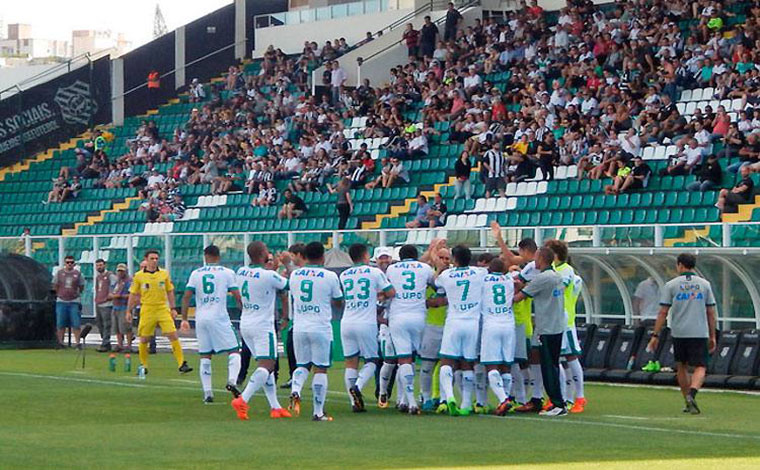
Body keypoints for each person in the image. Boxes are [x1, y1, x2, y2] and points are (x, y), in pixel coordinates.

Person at [646, 254, 717, 414]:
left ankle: (687, 400)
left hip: (679, 332)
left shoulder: (671, 285)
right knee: (700, 366)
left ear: (680, 265)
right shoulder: (705, 285)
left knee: (681, 366)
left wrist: (655, 335)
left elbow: (663, 312)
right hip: (699, 331)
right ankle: (693, 393)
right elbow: (711, 312)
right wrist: (713, 335)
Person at [231, 241, 292, 419]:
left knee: (266, 366)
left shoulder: (241, 271)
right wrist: (287, 264)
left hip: (246, 323)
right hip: (263, 326)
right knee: (267, 364)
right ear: (262, 254)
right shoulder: (269, 276)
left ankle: (275, 407)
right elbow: (289, 285)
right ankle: (243, 399)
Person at [288, 242, 344, 421]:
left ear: (305, 255)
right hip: (320, 327)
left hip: (299, 327)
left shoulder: (295, 274)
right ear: (323, 256)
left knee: (302, 365)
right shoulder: (329, 276)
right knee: (320, 369)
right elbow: (338, 301)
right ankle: (318, 412)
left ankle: (295, 389)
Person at [181, 245, 243, 403]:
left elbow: (187, 296)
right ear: (218, 256)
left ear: (205, 256)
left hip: (201, 318)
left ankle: (208, 393)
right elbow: (237, 295)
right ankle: (232, 381)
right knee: (234, 351)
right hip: (219, 317)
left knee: (205, 355)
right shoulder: (227, 272)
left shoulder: (196, 273)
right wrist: (245, 311)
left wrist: (184, 319)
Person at [340, 243, 395, 412]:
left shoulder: (344, 274)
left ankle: (353, 402)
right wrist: (380, 294)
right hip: (366, 322)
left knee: (351, 362)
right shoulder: (374, 272)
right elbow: (391, 292)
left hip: (346, 321)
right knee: (372, 360)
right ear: (366, 256)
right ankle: (357, 386)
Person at [513, 247, 567, 417]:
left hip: (546, 328)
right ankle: (558, 401)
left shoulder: (543, 278)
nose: (534, 261)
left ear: (542, 259)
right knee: (553, 365)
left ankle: (558, 404)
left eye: (536, 258)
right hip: (556, 326)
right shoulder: (556, 275)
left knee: (549, 367)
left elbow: (519, 297)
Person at [435, 245, 486, 416]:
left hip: (454, 322)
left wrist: (440, 267)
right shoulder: (480, 273)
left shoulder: (446, 275)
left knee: (446, 361)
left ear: (454, 260)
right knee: (467, 363)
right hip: (472, 323)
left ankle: (449, 397)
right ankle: (466, 403)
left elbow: (436, 282)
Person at [385, 244, 435, 414]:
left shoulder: (392, 269)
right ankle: (404, 399)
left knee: (403, 360)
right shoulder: (425, 267)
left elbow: (386, 291)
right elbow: (437, 286)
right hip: (419, 316)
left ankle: (410, 401)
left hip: (398, 316)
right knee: (412, 359)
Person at [126, 250, 192, 375]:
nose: (155, 261)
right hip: (147, 308)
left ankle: (182, 363)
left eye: (156, 258)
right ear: (146, 259)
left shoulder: (164, 274)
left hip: (162, 308)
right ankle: (143, 365)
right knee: (144, 338)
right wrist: (128, 311)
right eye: (152, 258)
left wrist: (173, 308)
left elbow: (170, 291)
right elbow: (133, 294)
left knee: (172, 334)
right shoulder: (139, 276)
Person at [544, 239, 586, 413]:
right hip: (552, 321)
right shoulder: (552, 270)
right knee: (556, 360)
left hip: (565, 322)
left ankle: (580, 398)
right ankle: (560, 397)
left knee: (571, 358)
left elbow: (559, 287)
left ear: (555, 254)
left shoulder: (566, 271)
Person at [479, 257, 516, 416]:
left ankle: (503, 399)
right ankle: (506, 398)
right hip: (508, 325)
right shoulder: (509, 279)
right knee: (506, 365)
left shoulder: (484, 279)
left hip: (491, 324)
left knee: (491, 365)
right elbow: (519, 282)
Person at [418, 241, 450, 411]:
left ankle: (444, 399)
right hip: (431, 326)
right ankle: (426, 397)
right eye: (441, 257)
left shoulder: (452, 276)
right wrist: (431, 250)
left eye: (447, 258)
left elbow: (437, 300)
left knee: (447, 366)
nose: (445, 261)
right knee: (427, 365)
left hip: (449, 326)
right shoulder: (427, 276)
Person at [52, 256, 84, 348]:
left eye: (71, 262)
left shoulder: (78, 274)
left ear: (74, 263)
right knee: (60, 323)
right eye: (67, 262)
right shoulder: (59, 273)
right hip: (61, 301)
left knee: (76, 323)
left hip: (74, 301)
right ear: (65, 263)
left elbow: (81, 286)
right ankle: (60, 342)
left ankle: (78, 343)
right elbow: (55, 285)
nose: (69, 264)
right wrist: (59, 294)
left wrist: (76, 294)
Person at [94, 259, 118, 352]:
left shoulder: (110, 275)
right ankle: (105, 341)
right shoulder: (98, 277)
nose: (99, 267)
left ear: (105, 265)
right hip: (99, 302)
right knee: (99, 323)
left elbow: (116, 284)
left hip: (107, 303)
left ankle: (105, 343)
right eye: (97, 265)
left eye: (101, 265)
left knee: (106, 324)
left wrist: (111, 294)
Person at [109, 263, 133, 353]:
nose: (120, 273)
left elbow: (132, 294)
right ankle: (120, 344)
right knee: (117, 327)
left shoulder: (129, 281)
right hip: (116, 305)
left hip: (124, 306)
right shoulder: (117, 281)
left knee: (126, 327)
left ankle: (129, 345)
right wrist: (112, 295)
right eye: (119, 271)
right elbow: (112, 291)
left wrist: (120, 296)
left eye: (122, 271)